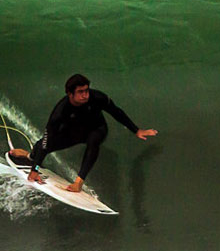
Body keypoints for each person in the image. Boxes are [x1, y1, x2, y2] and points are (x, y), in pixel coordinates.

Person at [24, 73, 156, 193]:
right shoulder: (60, 111)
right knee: (42, 145)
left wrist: (137, 130)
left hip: (97, 129)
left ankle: (78, 182)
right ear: (70, 94)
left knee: (94, 141)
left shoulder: (98, 97)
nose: (85, 95)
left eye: (86, 90)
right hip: (73, 133)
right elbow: (47, 141)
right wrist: (35, 169)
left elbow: (116, 112)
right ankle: (30, 156)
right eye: (80, 92)